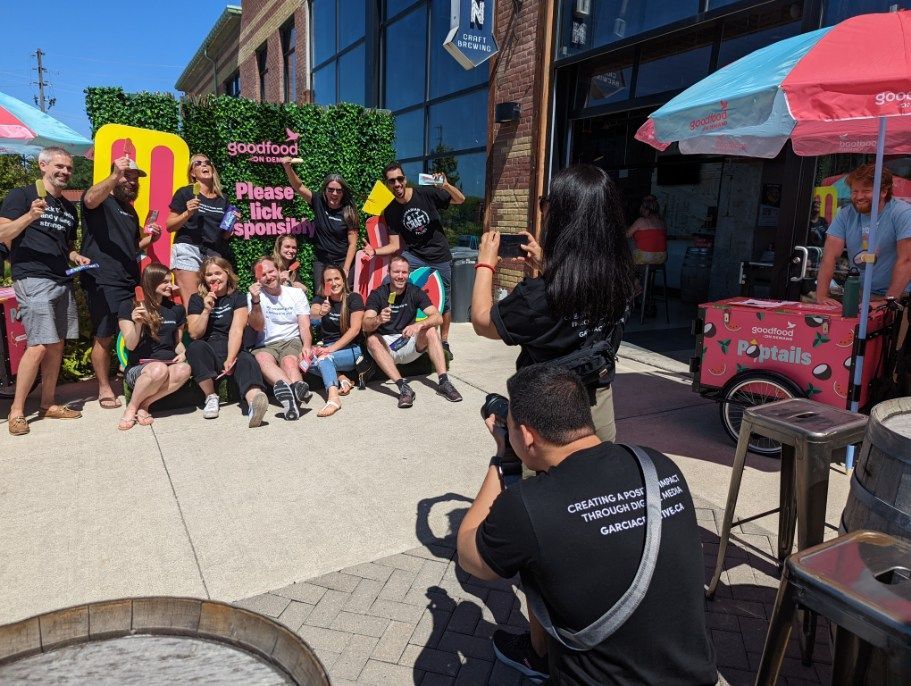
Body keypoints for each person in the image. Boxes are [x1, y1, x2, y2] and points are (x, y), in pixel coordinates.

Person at [457, 364, 718, 685]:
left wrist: (503, 458)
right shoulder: (658, 466)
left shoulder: (529, 506)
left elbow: (471, 557)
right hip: (695, 676)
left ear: (525, 435)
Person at [471, 164, 636, 443]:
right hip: (598, 407)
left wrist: (486, 263)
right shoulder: (621, 280)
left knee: (545, 485)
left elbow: (482, 321)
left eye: (546, 204)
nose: (543, 210)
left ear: (561, 217)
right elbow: (579, 293)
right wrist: (547, 264)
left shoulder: (538, 297)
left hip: (548, 422)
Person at [0, 147, 87, 436]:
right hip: (32, 277)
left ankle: (48, 403)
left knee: (56, 344)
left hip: (61, 279)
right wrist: (29, 216)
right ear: (42, 165)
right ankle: (16, 411)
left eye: (69, 168)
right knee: (38, 344)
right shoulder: (22, 196)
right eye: (59, 166)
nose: (64, 172)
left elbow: (67, 247)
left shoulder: (67, 208)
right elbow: (3, 234)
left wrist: (77, 257)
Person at [81, 155, 162, 410]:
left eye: (135, 178)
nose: (131, 181)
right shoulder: (101, 200)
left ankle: (134, 379)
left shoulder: (130, 210)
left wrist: (150, 240)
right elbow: (89, 199)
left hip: (128, 281)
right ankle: (104, 388)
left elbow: (131, 248)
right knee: (104, 336)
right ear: (115, 175)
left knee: (134, 331)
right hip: (102, 280)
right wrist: (116, 174)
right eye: (127, 176)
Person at [364, 162, 465, 353]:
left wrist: (445, 185)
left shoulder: (426, 194)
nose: (397, 184)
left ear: (405, 179)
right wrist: (374, 251)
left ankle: (444, 342)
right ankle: (387, 327)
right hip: (415, 255)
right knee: (389, 280)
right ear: (387, 184)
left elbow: (460, 199)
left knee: (445, 300)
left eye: (399, 179)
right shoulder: (391, 209)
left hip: (440, 255)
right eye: (392, 181)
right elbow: (395, 245)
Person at [363, 255, 462, 408]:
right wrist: (378, 320)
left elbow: (437, 317)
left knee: (430, 331)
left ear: (408, 274)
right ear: (389, 273)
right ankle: (403, 388)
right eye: (396, 272)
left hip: (409, 343)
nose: (400, 276)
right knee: (371, 340)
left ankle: (444, 382)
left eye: (404, 272)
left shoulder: (415, 292)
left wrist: (418, 325)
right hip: (386, 348)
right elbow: (365, 325)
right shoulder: (378, 294)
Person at [186, 257, 269, 427]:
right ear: (204, 278)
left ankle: (255, 402)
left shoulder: (237, 297)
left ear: (227, 274)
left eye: (218, 273)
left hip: (231, 343)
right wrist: (206, 311)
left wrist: (231, 358)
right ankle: (211, 397)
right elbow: (194, 333)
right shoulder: (196, 299)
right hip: (207, 347)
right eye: (209, 274)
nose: (214, 278)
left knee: (246, 359)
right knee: (195, 348)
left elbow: (237, 329)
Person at [816, 163, 911, 304]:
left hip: (899, 295)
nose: (858, 197)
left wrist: (888, 302)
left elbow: (907, 260)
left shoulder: (902, 213)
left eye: (866, 191)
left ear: (884, 192)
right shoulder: (845, 214)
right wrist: (821, 297)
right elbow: (830, 256)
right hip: (860, 293)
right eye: (854, 191)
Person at [117, 264, 191, 430]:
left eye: (170, 281)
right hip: (139, 368)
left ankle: (145, 404)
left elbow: (177, 343)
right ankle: (131, 408)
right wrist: (137, 324)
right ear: (151, 282)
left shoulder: (176, 310)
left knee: (184, 370)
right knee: (158, 369)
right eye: (165, 282)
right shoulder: (130, 306)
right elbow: (130, 344)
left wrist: (185, 353)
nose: (170, 286)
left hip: (167, 364)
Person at [247, 256, 313, 421]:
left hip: (291, 340)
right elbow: (257, 326)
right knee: (261, 358)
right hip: (266, 344)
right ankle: (296, 392)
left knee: (289, 362)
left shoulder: (296, 294)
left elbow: (304, 325)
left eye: (271, 271)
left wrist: (307, 345)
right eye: (263, 275)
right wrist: (255, 302)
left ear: (278, 271)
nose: (268, 277)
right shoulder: (253, 296)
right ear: (257, 279)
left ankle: (291, 397)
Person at [280, 161, 359, 290]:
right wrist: (288, 167)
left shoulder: (348, 211)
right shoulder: (318, 202)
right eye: (331, 190)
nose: (334, 193)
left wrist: (345, 268)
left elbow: (353, 243)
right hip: (322, 262)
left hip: (342, 261)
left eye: (338, 190)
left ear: (343, 192)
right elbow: (298, 187)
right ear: (325, 190)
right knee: (323, 295)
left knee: (343, 295)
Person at [166, 154, 231, 298]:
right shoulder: (185, 192)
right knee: (194, 303)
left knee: (216, 300)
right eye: (198, 163)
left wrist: (231, 223)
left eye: (207, 163)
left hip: (213, 253)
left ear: (212, 170)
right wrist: (187, 213)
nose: (204, 165)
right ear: (192, 173)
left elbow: (225, 235)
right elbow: (169, 226)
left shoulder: (223, 199)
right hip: (188, 249)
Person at [310, 265, 364, 417]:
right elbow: (312, 313)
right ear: (324, 283)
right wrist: (321, 311)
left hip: (351, 349)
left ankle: (334, 398)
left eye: (337, 279)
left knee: (324, 358)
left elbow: (355, 330)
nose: (333, 283)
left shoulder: (354, 298)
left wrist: (330, 349)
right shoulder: (321, 299)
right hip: (328, 348)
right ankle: (341, 377)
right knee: (303, 361)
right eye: (329, 280)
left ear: (343, 280)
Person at [626, 194, 667, 265]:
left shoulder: (641, 220)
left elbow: (626, 235)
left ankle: (626, 272)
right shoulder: (662, 223)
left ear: (643, 208)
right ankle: (648, 275)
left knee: (629, 240)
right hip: (662, 257)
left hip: (644, 257)